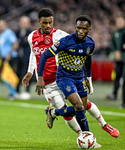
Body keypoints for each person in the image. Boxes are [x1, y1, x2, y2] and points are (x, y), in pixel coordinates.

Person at [22, 8, 119, 146]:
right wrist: (31, 72)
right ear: (39, 22)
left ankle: (102, 125)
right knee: (71, 112)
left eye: (50, 22)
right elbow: (35, 54)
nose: (48, 25)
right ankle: (85, 138)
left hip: (64, 76)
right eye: (45, 23)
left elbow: (79, 46)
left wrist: (86, 77)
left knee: (83, 106)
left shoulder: (61, 35)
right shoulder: (31, 37)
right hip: (49, 84)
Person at [107, 15, 125, 100]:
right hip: (118, 59)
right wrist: (115, 51)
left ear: (124, 22)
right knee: (117, 76)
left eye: (120, 22)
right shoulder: (114, 32)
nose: (119, 24)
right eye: (117, 22)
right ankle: (114, 93)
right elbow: (112, 44)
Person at [0, 19, 19, 100]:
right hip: (4, 57)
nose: (0, 27)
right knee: (5, 76)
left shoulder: (9, 33)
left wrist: (9, 54)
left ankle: (14, 93)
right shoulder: (2, 34)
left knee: (9, 75)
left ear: (5, 24)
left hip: (11, 57)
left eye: (1, 25)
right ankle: (12, 92)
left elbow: (16, 44)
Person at [15, 16, 32, 100]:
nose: (23, 24)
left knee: (27, 73)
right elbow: (16, 43)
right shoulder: (17, 32)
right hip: (19, 56)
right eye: (22, 22)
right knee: (17, 73)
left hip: (27, 56)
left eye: (25, 22)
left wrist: (20, 41)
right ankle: (17, 91)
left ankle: (26, 91)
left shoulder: (30, 32)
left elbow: (23, 42)